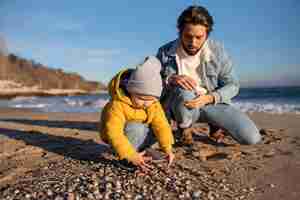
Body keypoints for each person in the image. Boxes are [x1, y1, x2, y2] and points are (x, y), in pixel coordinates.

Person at [156, 5, 261, 145]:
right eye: (188, 36)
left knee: (252, 138)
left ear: (207, 34)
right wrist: (170, 79)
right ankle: (184, 129)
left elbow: (233, 85)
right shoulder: (165, 52)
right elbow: (152, 84)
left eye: (199, 37)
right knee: (185, 90)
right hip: (180, 107)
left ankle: (215, 124)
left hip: (210, 102)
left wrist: (209, 98)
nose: (193, 42)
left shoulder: (218, 51)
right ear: (180, 32)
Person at [99, 56, 175, 171]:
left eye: (151, 99)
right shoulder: (117, 105)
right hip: (119, 139)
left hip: (139, 134)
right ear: (131, 91)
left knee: (160, 126)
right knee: (136, 128)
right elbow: (113, 133)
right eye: (141, 98)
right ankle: (125, 159)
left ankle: (142, 149)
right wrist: (130, 155)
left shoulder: (153, 104)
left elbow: (162, 125)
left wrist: (168, 148)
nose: (146, 103)